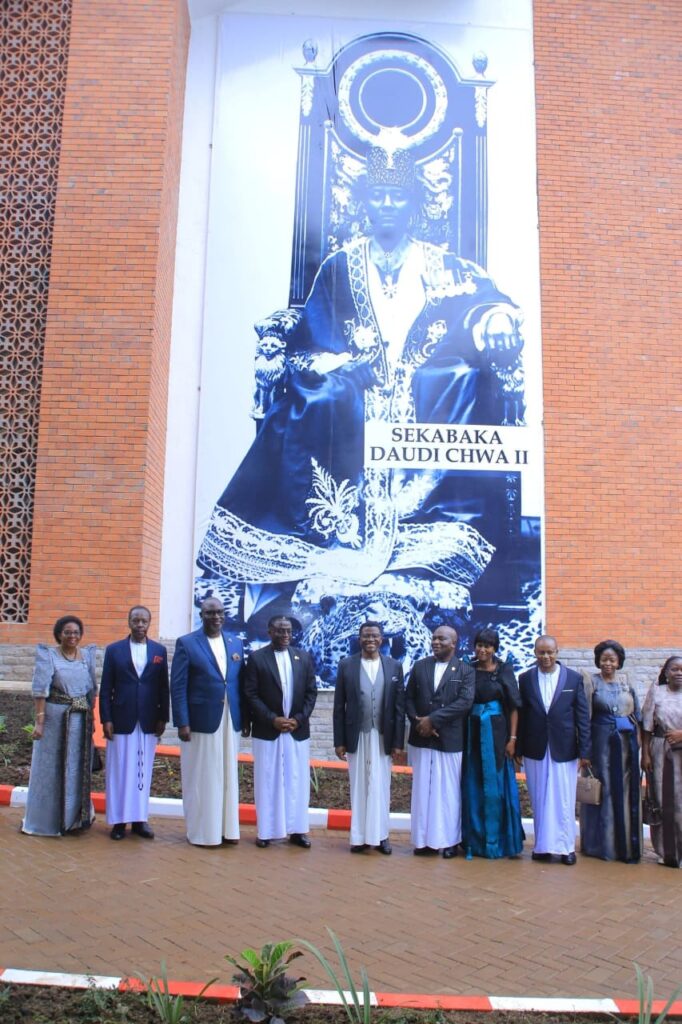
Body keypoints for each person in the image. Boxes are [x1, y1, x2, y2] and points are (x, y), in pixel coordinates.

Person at [196, 145, 528, 667]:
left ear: (413, 204)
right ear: (365, 203)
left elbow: (483, 298)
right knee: (319, 399)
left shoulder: (439, 264)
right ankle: (328, 542)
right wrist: (342, 365)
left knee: (460, 381)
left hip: (420, 396)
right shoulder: (340, 265)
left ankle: (430, 538)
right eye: (379, 196)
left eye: (398, 196)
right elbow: (311, 338)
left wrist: (495, 317)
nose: (388, 205)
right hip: (356, 389)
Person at [170, 597, 245, 846]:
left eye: (220, 612)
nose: (216, 617)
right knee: (203, 776)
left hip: (230, 719)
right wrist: (182, 722)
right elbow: (178, 686)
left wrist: (244, 719)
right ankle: (203, 833)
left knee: (227, 776)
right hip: (200, 721)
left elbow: (239, 683)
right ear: (201, 615)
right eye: (210, 613)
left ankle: (227, 830)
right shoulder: (187, 643)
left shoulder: (235, 642)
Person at [243, 615, 317, 848]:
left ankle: (297, 831)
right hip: (268, 730)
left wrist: (298, 719)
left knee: (297, 780)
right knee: (267, 780)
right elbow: (251, 694)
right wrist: (272, 719)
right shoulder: (257, 658)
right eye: (280, 631)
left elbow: (311, 693)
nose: (285, 635)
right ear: (269, 632)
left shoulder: (303, 657)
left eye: (288, 631)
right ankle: (266, 831)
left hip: (296, 731)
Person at [517, 635, 591, 865]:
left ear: (557, 652)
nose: (546, 656)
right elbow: (522, 716)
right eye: (541, 652)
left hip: (564, 747)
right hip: (535, 746)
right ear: (535, 653)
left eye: (550, 652)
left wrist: (585, 751)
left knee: (564, 798)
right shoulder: (525, 679)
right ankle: (542, 847)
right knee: (538, 797)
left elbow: (582, 717)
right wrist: (518, 748)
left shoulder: (573, 678)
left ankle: (566, 848)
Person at [333, 621, 405, 854]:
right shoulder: (347, 665)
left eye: (374, 635)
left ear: (382, 639)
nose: (370, 639)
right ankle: (360, 837)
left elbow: (399, 707)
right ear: (359, 638)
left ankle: (381, 836)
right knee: (359, 785)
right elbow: (339, 706)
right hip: (357, 734)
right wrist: (339, 741)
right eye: (366, 636)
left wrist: (398, 742)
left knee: (381, 785)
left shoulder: (394, 666)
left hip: (383, 735)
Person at [22, 615, 97, 836]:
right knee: (52, 770)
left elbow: (92, 690)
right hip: (55, 722)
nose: (72, 636)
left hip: (80, 721)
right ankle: (49, 822)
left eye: (76, 632)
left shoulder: (87, 656)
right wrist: (40, 722)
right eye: (67, 632)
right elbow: (40, 692)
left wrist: (92, 719)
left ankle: (75, 819)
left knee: (77, 768)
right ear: (59, 634)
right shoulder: (49, 656)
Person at [99, 606, 169, 840]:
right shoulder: (114, 650)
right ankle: (119, 821)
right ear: (129, 622)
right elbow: (106, 688)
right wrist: (106, 719)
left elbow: (163, 687)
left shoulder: (159, 651)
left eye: (144, 621)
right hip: (121, 718)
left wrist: (163, 717)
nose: (140, 625)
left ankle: (139, 820)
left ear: (149, 623)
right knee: (120, 770)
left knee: (143, 771)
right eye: (135, 620)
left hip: (148, 719)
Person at [405, 624, 475, 857]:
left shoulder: (465, 670)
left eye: (441, 639)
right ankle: (422, 841)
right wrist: (418, 722)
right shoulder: (420, 666)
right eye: (434, 638)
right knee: (422, 790)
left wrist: (433, 721)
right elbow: (408, 698)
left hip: (449, 739)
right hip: (421, 738)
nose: (435, 642)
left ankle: (449, 841)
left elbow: (465, 702)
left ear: (453, 643)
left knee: (448, 792)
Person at [461, 627, 524, 859]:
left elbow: (514, 706)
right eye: (479, 645)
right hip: (471, 733)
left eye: (487, 646)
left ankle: (499, 842)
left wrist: (513, 739)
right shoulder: (467, 668)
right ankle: (474, 842)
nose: (483, 650)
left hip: (497, 734)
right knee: (473, 786)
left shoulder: (504, 670)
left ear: (495, 648)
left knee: (497, 786)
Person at [579, 640, 642, 862]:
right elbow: (585, 718)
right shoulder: (591, 681)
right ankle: (602, 846)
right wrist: (585, 751)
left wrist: (638, 743)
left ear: (619, 662)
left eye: (612, 660)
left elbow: (638, 715)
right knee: (603, 789)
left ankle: (626, 845)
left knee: (625, 789)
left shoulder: (627, 681)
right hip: (600, 744)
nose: (608, 663)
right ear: (598, 661)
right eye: (604, 659)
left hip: (626, 745)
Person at [641, 656, 682, 868]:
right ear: (666, 673)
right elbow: (646, 726)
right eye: (674, 669)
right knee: (661, 799)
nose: (679, 673)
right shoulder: (656, 692)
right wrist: (645, 754)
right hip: (660, 752)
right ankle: (666, 852)